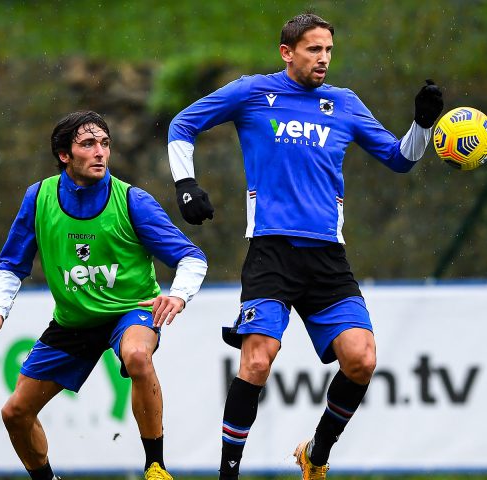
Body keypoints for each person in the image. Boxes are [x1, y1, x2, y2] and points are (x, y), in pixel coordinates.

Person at [167, 13, 443, 480]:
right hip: (271, 252)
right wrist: (186, 183)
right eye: (314, 49)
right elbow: (182, 124)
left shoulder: (344, 103)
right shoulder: (253, 92)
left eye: (329, 50)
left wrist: (422, 125)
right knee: (257, 359)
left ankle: (315, 454)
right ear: (287, 52)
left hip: (327, 257)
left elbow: (400, 160)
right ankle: (227, 476)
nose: (324, 59)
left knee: (362, 358)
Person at [0, 111, 208, 480]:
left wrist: (177, 296)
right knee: (14, 414)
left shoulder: (133, 200)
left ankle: (156, 468)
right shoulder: (39, 198)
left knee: (136, 355)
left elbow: (192, 258)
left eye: (105, 144)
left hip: (131, 311)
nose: (100, 152)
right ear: (64, 155)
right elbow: (10, 264)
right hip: (74, 321)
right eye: (88, 144)